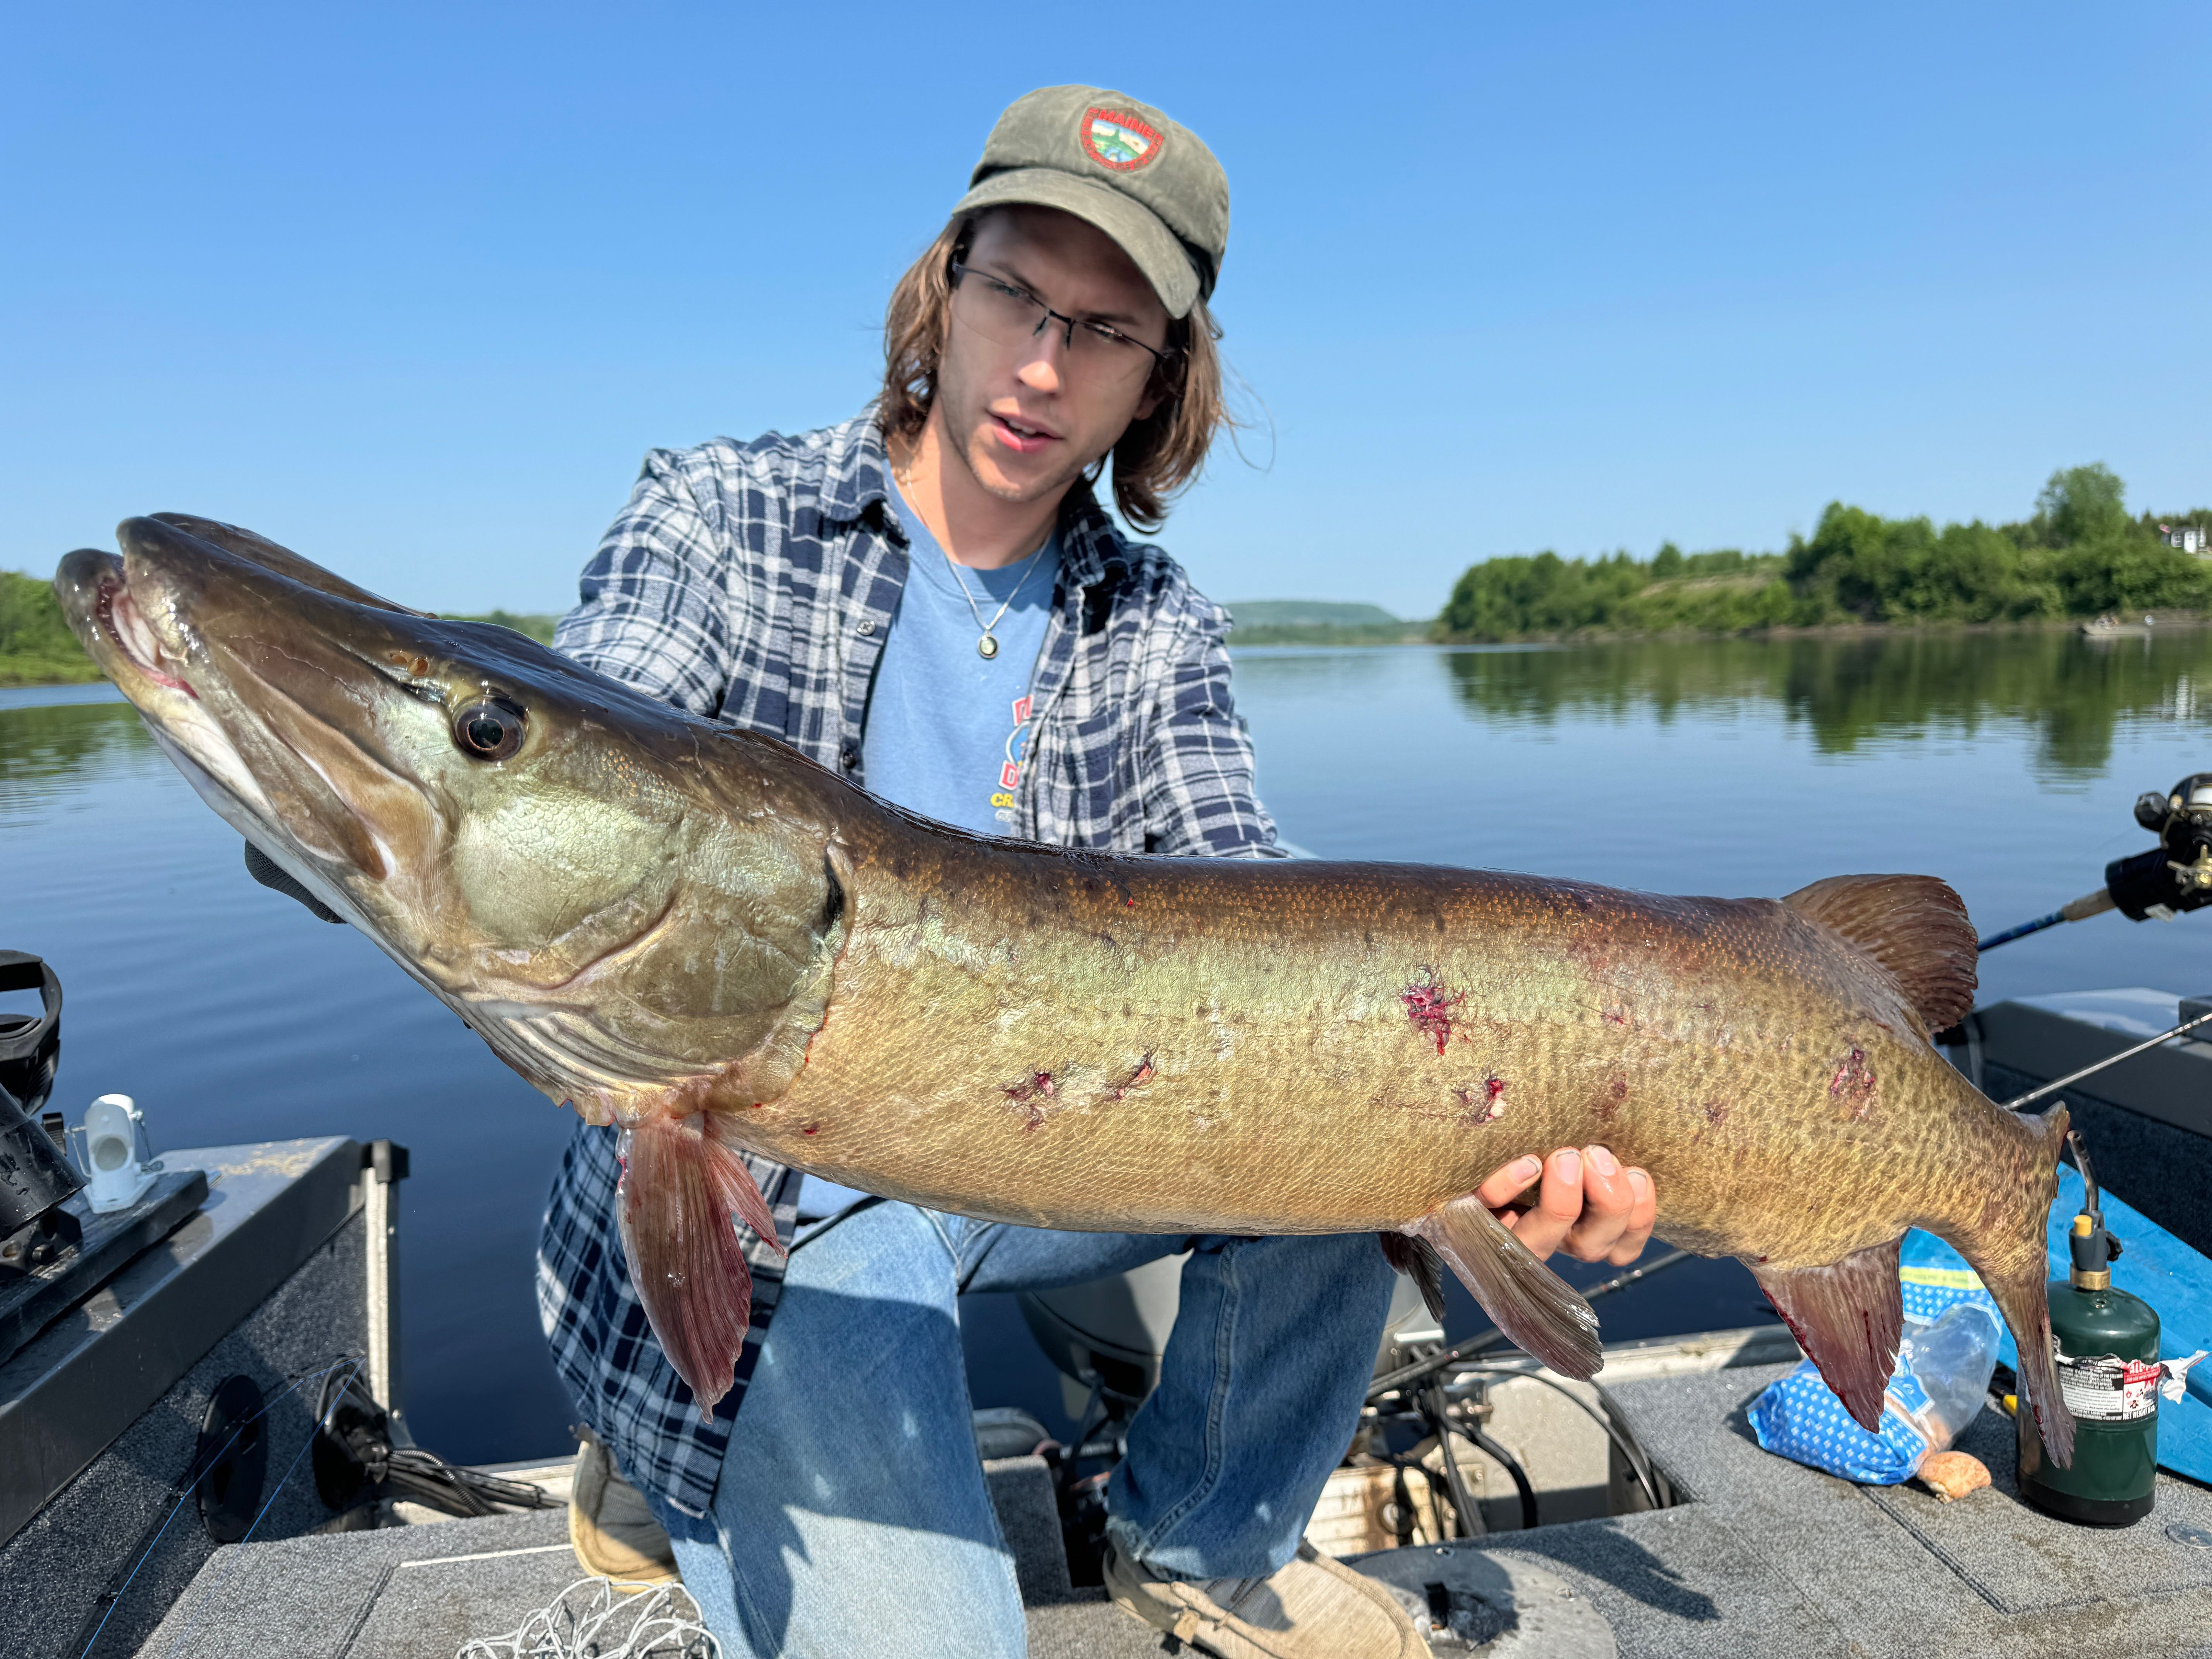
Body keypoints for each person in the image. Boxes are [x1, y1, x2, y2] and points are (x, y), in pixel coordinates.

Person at [536, 84, 1658, 1659]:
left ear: (1160, 378)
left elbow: (1243, 889)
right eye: (1015, 293)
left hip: (1042, 1146)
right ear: (945, 288)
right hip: (772, 1191)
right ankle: (669, 1436)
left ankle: (1204, 1540)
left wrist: (1512, 1115)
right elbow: (592, 755)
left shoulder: (1155, 623)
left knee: (1357, 1125)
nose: (1044, 366)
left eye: (1108, 330)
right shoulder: (721, 517)